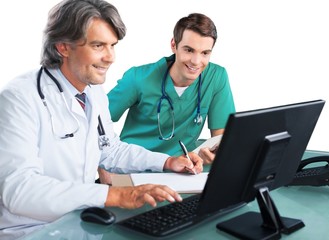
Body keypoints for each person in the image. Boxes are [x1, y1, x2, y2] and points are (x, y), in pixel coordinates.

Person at [0, 1, 203, 239]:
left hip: (81, 220)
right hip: (31, 230)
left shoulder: (92, 90)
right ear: (63, 47)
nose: (110, 57)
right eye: (98, 46)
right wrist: (114, 195)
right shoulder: (19, 98)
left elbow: (110, 150)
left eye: (112, 46)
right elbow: (19, 191)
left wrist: (168, 162)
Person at [107, 13, 235, 165]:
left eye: (205, 53)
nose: (196, 61)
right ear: (174, 45)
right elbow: (95, 123)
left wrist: (213, 153)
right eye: (189, 50)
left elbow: (221, 138)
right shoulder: (138, 78)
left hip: (181, 167)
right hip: (135, 165)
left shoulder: (216, 77)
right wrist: (103, 165)